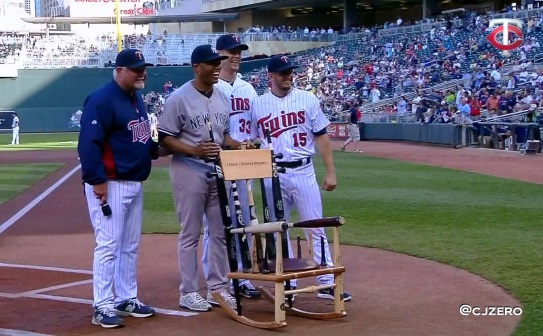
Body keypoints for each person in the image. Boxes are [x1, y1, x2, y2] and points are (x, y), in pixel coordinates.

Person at [157, 44, 254, 312]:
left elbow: (222, 135)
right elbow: (164, 138)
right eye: (211, 64)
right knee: (190, 233)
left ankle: (217, 288)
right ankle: (188, 291)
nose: (216, 67)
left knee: (220, 231)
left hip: (217, 169)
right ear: (196, 67)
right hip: (188, 168)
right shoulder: (178, 98)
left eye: (218, 63)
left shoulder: (223, 97)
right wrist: (193, 150)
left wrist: (238, 145)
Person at [250, 55, 352, 302]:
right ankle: (287, 283)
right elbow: (254, 140)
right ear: (270, 76)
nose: (288, 75)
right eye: (283, 72)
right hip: (272, 175)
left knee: (315, 226)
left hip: (303, 170)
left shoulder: (307, 99)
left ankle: (327, 281)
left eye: (290, 71)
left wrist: (330, 172)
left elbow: (321, 136)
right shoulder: (258, 104)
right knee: (277, 230)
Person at [77, 48, 158, 329]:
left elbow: (137, 137)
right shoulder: (101, 99)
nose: (142, 73)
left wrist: (156, 148)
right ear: (119, 71)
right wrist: (96, 180)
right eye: (136, 69)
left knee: (130, 245)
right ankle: (102, 305)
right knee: (109, 245)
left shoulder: (135, 98)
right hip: (110, 184)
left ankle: (126, 298)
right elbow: (89, 143)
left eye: (143, 68)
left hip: (134, 181)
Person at [200, 34, 261, 300]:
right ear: (219, 54)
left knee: (245, 223)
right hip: (218, 164)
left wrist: (254, 142)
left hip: (244, 164)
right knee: (217, 225)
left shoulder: (248, 89)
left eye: (239, 51)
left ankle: (243, 278)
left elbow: (258, 129)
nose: (236, 56)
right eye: (230, 52)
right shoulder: (211, 88)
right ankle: (214, 281)